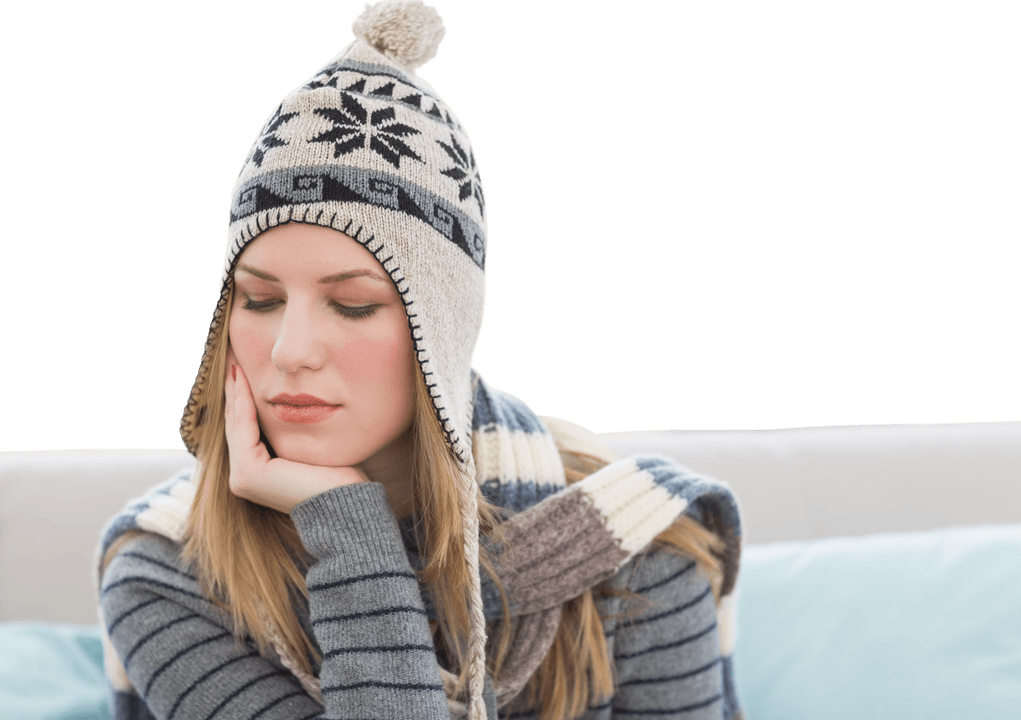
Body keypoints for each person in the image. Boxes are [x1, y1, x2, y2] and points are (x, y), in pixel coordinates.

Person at [94, 2, 746, 719]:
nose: (290, 351)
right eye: (258, 299)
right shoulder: (167, 573)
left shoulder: (635, 551)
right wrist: (348, 532)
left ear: (442, 329)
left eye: (352, 305)